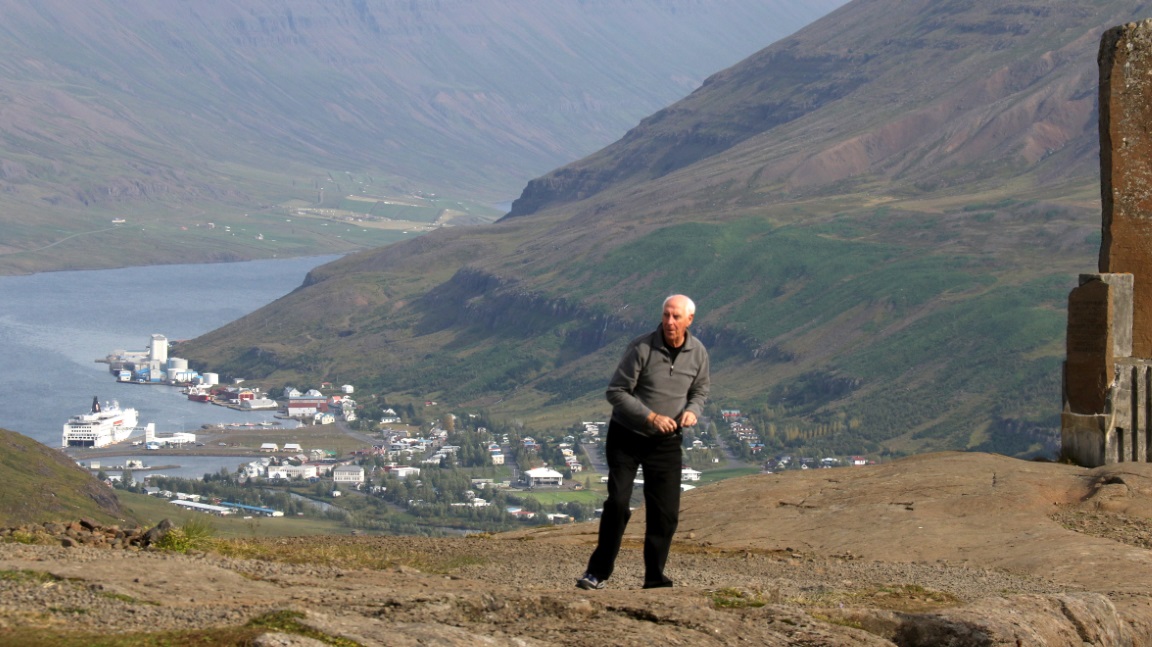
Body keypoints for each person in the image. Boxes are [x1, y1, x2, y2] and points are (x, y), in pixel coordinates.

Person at [577, 294, 710, 590]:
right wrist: (650, 417)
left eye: (676, 317)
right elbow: (617, 391)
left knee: (665, 513)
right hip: (626, 436)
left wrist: (692, 411)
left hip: (666, 441)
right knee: (619, 503)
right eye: (666, 315)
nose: (669, 322)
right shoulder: (642, 347)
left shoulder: (698, 353)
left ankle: (654, 578)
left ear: (689, 320)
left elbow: (700, 391)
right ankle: (596, 573)